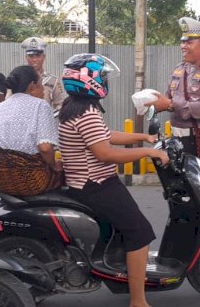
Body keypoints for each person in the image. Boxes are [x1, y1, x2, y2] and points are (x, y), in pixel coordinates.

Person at [57, 53, 169, 307]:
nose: (106, 80)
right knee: (140, 233)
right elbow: (105, 152)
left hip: (84, 184)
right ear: (91, 80)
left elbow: (106, 135)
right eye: (103, 76)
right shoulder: (86, 112)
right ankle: (138, 301)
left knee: (126, 229)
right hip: (95, 185)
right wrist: (149, 152)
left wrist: (143, 137)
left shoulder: (74, 107)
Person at [148, 17, 200, 187]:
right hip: (178, 141)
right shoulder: (179, 69)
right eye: (182, 42)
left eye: (189, 41)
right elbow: (167, 98)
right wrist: (153, 103)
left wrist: (170, 104)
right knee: (179, 192)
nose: (183, 46)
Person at [0, 65, 63, 196]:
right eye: (41, 84)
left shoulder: (1, 106)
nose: (43, 89)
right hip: (28, 180)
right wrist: (54, 166)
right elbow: (45, 148)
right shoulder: (41, 105)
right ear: (32, 85)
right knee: (63, 173)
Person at [20, 36, 67, 111]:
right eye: (31, 56)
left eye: (38, 56)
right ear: (26, 57)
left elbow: (59, 105)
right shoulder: (19, 78)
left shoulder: (52, 81)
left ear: (44, 57)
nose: (34, 60)